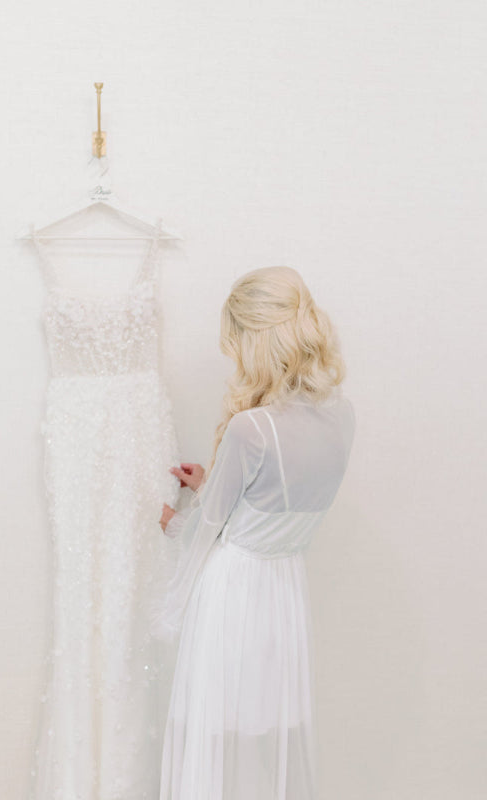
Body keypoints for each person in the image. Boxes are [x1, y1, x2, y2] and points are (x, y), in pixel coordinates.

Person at [152, 265, 356, 799]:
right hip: (284, 589)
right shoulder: (342, 416)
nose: (235, 359)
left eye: (236, 344)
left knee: (216, 726)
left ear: (256, 340)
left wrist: (174, 521)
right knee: (267, 727)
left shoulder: (252, 428)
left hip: (233, 591)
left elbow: (210, 531)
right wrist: (211, 483)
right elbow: (275, 508)